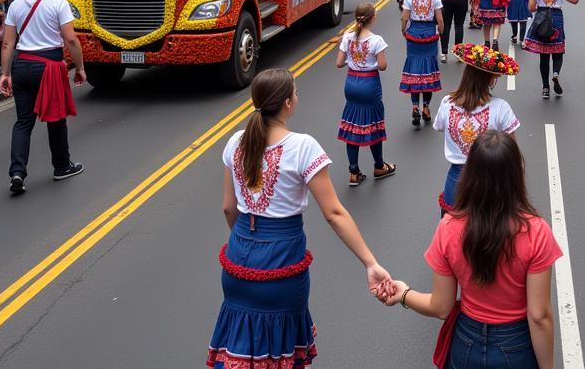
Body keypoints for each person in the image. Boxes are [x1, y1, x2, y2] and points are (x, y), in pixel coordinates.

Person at [209, 68, 391, 369]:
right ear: (288, 104)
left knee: (241, 346)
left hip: (238, 259)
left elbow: (229, 208)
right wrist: (371, 263)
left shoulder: (236, 142)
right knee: (281, 349)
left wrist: (247, 241)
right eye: (295, 92)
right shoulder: (303, 147)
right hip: (282, 264)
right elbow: (334, 213)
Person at [378, 131, 561, 369]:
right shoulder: (536, 231)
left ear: (470, 174)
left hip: (466, 343)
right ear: (517, 174)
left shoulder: (448, 228)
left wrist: (403, 294)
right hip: (516, 345)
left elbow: (441, 307)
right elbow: (539, 316)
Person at [0, 0, 86, 194]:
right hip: (49, 66)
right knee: (56, 119)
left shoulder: (16, 4)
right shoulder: (58, 2)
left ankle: (17, 172)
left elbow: (8, 42)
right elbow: (71, 40)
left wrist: (5, 73)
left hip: (22, 65)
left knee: (23, 122)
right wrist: (80, 67)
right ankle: (61, 166)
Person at [433, 43, 520, 214]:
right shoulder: (501, 108)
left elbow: (439, 126)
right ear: (489, 79)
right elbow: (511, 152)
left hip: (456, 181)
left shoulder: (447, 103)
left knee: (452, 234)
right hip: (490, 182)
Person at [335, 3, 396, 186]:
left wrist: (353, 61)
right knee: (373, 126)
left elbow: (339, 63)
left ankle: (354, 172)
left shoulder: (347, 37)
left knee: (352, 126)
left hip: (351, 84)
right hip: (369, 85)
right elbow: (383, 66)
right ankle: (379, 166)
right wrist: (369, 64)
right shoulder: (376, 40)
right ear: (373, 18)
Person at [524, 0, 578, 99]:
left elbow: (531, 7)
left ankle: (545, 88)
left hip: (542, 16)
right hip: (556, 17)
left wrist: (542, 7)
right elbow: (574, 0)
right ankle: (555, 73)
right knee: (558, 50)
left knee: (544, 54)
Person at [400, 0, 444, 128]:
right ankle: (426, 105)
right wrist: (441, 31)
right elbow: (439, 19)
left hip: (414, 35)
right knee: (428, 72)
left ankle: (415, 105)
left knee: (414, 71)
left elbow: (405, 17)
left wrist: (404, 30)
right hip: (429, 34)